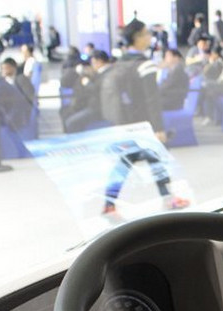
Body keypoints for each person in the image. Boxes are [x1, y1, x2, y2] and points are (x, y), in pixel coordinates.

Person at [100, 19, 184, 214]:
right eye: (146, 33)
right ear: (137, 37)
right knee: (152, 160)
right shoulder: (145, 65)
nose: (149, 37)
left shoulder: (121, 62)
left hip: (126, 121)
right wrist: (158, 128)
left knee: (132, 161)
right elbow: (152, 99)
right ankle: (168, 199)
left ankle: (110, 202)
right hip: (143, 124)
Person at [63, 50, 112, 133]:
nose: (92, 66)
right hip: (92, 105)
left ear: (99, 61)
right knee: (67, 113)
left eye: (93, 63)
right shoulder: (100, 73)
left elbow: (97, 90)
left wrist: (87, 83)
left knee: (71, 123)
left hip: (98, 109)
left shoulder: (107, 74)